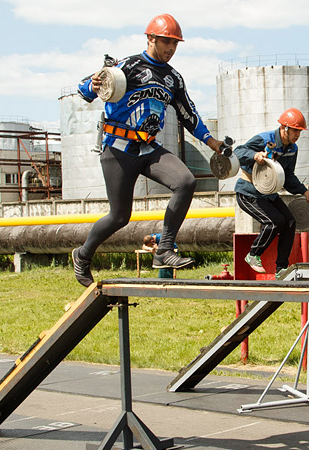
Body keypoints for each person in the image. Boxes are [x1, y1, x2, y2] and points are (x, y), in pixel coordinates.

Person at [71, 14, 223, 287]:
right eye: (166, 42)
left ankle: (164, 250)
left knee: (185, 181)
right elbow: (88, 88)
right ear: (150, 38)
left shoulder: (173, 78)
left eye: (175, 44)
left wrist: (211, 141)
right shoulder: (128, 65)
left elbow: (188, 114)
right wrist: (92, 83)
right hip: (118, 149)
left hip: (149, 148)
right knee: (120, 216)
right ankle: (82, 255)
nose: (171, 48)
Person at [234, 108, 309, 279]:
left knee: (289, 222)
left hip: (268, 194)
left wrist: (305, 192)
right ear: (284, 128)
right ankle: (253, 254)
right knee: (274, 221)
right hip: (248, 192)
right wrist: (254, 155)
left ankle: (281, 268)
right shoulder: (264, 139)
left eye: (300, 131)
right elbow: (238, 152)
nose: (298, 135)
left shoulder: (293, 149)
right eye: (295, 131)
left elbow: (288, 177)